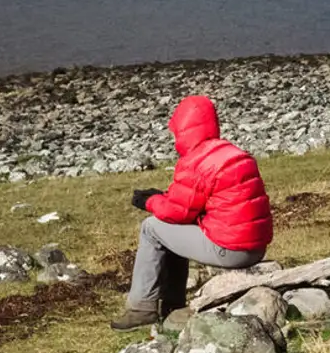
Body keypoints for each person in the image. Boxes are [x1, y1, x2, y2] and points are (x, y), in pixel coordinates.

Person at [112, 95, 274, 330]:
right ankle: (172, 306)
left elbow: (177, 214)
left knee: (151, 228)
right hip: (255, 248)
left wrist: (149, 201)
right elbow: (194, 205)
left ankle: (142, 308)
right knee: (171, 231)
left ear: (183, 128)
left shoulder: (197, 160)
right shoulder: (232, 153)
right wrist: (165, 198)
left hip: (229, 251)